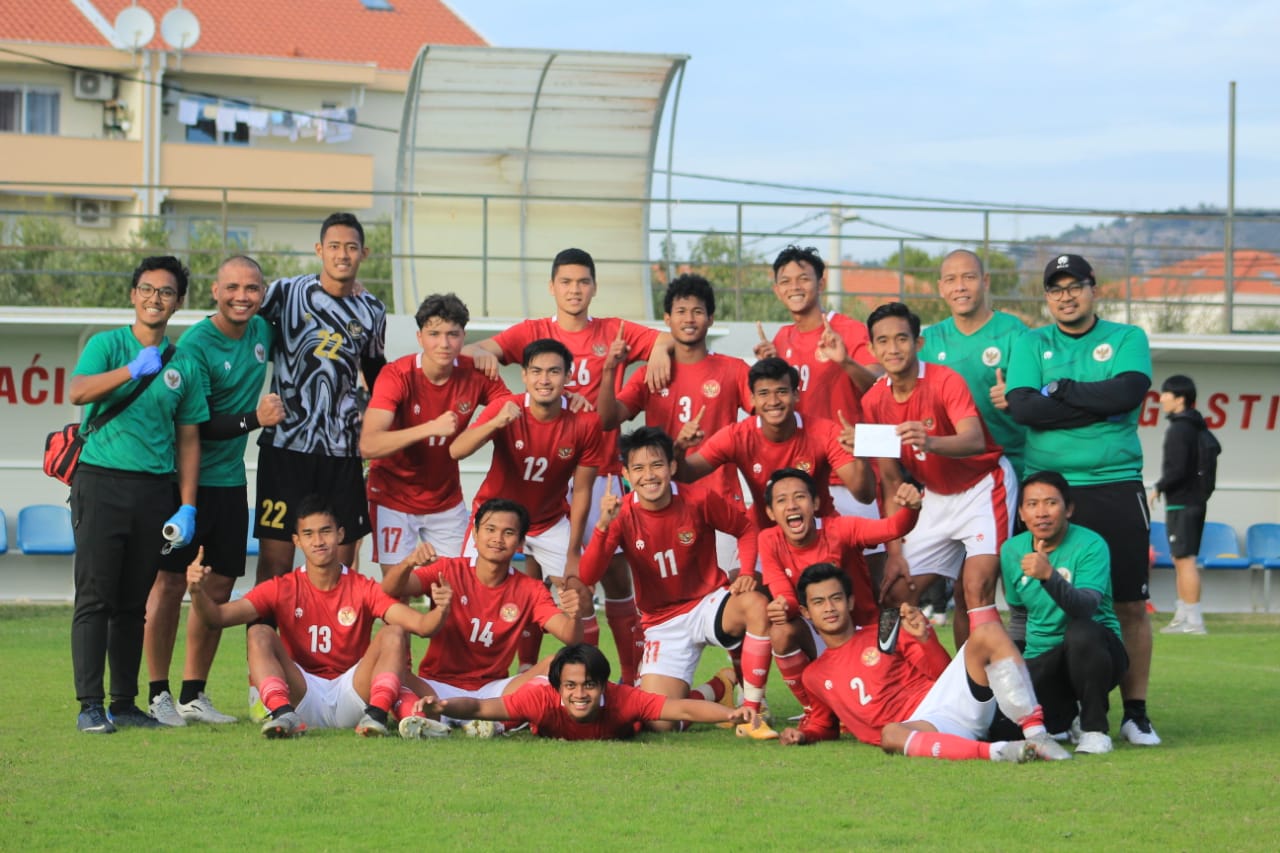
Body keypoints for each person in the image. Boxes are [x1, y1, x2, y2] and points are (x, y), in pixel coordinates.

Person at [462, 248, 673, 685]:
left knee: (609, 576)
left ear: (594, 287)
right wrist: (490, 367)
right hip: (547, 477)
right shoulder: (534, 333)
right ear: (552, 287)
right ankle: (520, 673)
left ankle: (627, 678)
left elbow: (666, 339)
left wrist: (656, 353)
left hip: (600, 472)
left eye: (582, 282)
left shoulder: (614, 330)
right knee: (528, 576)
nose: (574, 290)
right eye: (566, 282)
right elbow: (477, 349)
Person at [1005, 253, 1159, 746]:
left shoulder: (1126, 338)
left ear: (1094, 289)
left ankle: (1135, 712)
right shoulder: (1031, 342)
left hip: (1114, 483)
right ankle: (1063, 707)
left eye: (1075, 286)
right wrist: (1095, 407)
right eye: (1055, 289)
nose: (1065, 296)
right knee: (1039, 603)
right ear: (1046, 297)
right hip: (1047, 489)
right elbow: (1026, 407)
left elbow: (1128, 392)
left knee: (1130, 603)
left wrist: (1064, 394)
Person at [68, 256, 209, 734]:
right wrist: (130, 370)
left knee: (134, 603)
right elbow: (80, 392)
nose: (155, 298)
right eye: (147, 289)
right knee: (95, 598)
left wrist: (187, 504)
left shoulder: (184, 364)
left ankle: (124, 703)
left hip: (154, 491)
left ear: (179, 302)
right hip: (100, 481)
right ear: (133, 295)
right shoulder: (107, 345)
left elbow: (189, 439)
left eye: (166, 292)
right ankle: (90, 703)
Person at [143, 255, 283, 727]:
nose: (242, 296)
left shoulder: (263, 331)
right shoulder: (196, 345)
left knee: (219, 585)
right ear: (214, 292)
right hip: (187, 481)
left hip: (230, 483)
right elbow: (195, 425)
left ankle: (192, 694)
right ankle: (157, 693)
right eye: (233, 288)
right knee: (169, 582)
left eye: (252, 288)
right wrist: (254, 421)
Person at [185, 496, 449, 738]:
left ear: (340, 535)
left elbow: (422, 626)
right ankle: (281, 714)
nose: (318, 541)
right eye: (308, 534)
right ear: (297, 541)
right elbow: (216, 618)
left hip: (353, 692)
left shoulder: (363, 587)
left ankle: (377, 716)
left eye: (325, 531)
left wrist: (441, 608)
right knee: (258, 632)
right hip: (301, 695)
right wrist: (197, 592)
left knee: (394, 631)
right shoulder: (281, 587)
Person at [576, 427, 777, 738]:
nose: (649, 475)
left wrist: (747, 571)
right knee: (659, 720)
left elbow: (747, 529)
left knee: (755, 604)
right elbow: (587, 577)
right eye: (638, 468)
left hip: (708, 603)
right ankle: (717, 688)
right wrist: (603, 525)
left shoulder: (698, 498)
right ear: (627, 473)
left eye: (656, 465)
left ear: (671, 467)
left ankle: (754, 708)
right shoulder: (622, 514)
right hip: (661, 621)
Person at [777, 563, 1070, 762]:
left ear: (850, 602)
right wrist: (804, 734)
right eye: (818, 602)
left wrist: (925, 639)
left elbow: (941, 673)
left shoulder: (885, 629)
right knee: (891, 734)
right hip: (923, 726)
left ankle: (1038, 735)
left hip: (949, 699)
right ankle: (1001, 752)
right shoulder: (814, 675)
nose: (829, 608)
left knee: (988, 630)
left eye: (836, 598)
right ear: (805, 610)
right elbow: (823, 724)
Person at [860, 301, 1017, 648]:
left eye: (901, 338)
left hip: (982, 487)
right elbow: (889, 481)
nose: (892, 348)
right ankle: (906, 688)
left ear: (918, 343)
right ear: (871, 349)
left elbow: (975, 439)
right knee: (894, 596)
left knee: (973, 593)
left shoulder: (945, 380)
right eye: (882, 341)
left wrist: (930, 441)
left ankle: (980, 693)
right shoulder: (873, 401)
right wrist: (895, 550)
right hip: (935, 497)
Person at [449, 338, 601, 673]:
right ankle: (462, 674)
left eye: (553, 372)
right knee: (469, 595)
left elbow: (583, 490)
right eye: (536, 372)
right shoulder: (506, 407)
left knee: (579, 594)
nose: (544, 379)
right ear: (524, 375)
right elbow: (456, 450)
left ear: (567, 376)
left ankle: (589, 677)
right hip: (496, 520)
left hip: (548, 522)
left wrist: (575, 550)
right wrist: (494, 423)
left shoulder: (585, 421)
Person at [253, 212, 386, 582]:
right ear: (319, 250)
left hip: (342, 451)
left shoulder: (372, 309)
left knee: (339, 567)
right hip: (286, 447)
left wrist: (386, 426)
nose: (342, 255)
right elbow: (242, 323)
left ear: (364, 253)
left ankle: (333, 640)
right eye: (334, 247)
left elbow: (377, 372)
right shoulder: (286, 292)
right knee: (276, 563)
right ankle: (264, 641)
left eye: (351, 247)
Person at [381, 499, 583, 737]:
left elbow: (570, 636)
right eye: (490, 530)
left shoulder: (530, 589)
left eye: (508, 532)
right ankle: (425, 716)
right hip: (434, 684)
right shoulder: (447, 569)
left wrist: (575, 615)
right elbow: (391, 589)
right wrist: (408, 563)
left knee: (556, 664)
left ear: (520, 543)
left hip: (492, 691)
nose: (498, 538)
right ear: (475, 535)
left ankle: (491, 723)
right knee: (388, 668)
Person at [596, 273, 753, 571]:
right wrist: (608, 370)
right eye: (681, 311)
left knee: (729, 592)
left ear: (711, 319)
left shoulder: (734, 370)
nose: (689, 319)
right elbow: (607, 419)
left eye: (697, 311)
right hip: (663, 501)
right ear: (667, 319)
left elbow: (768, 417)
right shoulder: (650, 374)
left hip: (720, 498)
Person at [754, 245, 885, 561]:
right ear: (776, 290)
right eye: (786, 281)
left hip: (850, 474)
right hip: (804, 481)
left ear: (821, 283)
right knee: (815, 577)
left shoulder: (849, 330)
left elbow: (880, 386)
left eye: (803, 278)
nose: (795, 287)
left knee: (870, 570)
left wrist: (845, 362)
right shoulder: (781, 338)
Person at [360, 293, 509, 570]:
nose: (444, 343)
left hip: (445, 500)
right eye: (434, 333)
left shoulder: (476, 371)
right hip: (392, 497)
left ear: (464, 337)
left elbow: (510, 409)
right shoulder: (396, 375)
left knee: (451, 589)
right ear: (419, 337)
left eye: (453, 334)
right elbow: (368, 445)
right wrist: (429, 428)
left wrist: (567, 399)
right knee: (397, 590)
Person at [757, 468, 921, 712]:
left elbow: (892, 528)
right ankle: (815, 711)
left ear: (815, 503)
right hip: (822, 633)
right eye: (781, 500)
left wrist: (910, 508)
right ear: (770, 512)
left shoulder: (840, 529)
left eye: (799, 497)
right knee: (781, 632)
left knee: (880, 705)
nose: (791, 505)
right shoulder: (769, 540)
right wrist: (782, 607)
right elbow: (787, 597)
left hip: (863, 634)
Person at [1001, 472, 1128, 754]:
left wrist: (1049, 576)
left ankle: (1094, 729)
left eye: (1051, 503)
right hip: (1044, 657)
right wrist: (1014, 670)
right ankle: (1063, 715)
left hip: (1097, 654)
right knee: (999, 729)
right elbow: (1019, 617)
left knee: (1081, 632)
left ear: (1068, 508)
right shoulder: (1011, 550)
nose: (1041, 512)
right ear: (1021, 513)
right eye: (1032, 504)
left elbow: (1085, 608)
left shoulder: (1091, 545)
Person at [678, 356, 874, 529]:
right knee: (741, 572)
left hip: (819, 531)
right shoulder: (736, 435)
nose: (773, 401)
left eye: (781, 391)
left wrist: (861, 456)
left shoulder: (825, 432)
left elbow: (865, 496)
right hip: (764, 534)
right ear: (752, 399)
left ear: (796, 395)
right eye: (763, 393)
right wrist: (679, 448)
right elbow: (685, 474)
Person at [411, 643, 756, 740]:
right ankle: (719, 685)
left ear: (604, 685)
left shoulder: (624, 699)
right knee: (502, 721)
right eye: (571, 686)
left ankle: (718, 687)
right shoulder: (538, 699)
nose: (579, 694)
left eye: (589, 685)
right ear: (558, 687)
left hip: (638, 717)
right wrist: (441, 706)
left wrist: (730, 715)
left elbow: (683, 710)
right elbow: (479, 708)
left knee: (663, 724)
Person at [921, 249, 1029, 479]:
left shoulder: (1014, 332)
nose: (960, 286)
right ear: (941, 288)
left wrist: (1017, 395)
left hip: (1008, 464)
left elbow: (1041, 392)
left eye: (969, 277)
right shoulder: (929, 340)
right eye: (951, 280)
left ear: (985, 281)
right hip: (949, 467)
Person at [1150, 374, 1216, 635]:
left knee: (1185, 560)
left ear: (1180, 399)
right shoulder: (1195, 426)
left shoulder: (1180, 428)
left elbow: (1177, 469)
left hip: (1183, 502)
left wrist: (1159, 487)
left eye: (1166, 394)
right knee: (1181, 559)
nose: (1161, 398)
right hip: (1192, 502)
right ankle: (1183, 616)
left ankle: (1194, 621)